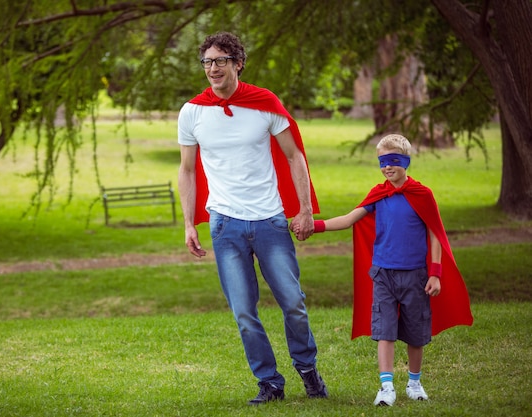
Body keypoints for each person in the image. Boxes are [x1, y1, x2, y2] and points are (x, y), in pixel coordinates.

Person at [177, 32, 328, 405]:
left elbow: (295, 156)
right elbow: (187, 171)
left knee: (292, 301)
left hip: (269, 220)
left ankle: (307, 370)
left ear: (238, 63)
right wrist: (188, 224)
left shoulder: (264, 103)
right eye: (207, 62)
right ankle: (270, 382)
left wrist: (305, 209)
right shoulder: (192, 112)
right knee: (244, 311)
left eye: (221, 61)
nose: (213, 68)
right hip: (224, 225)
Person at [293, 133, 473, 406]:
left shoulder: (422, 195)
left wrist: (435, 272)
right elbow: (349, 219)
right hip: (383, 275)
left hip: (416, 275)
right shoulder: (378, 194)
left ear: (406, 161)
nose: (388, 167)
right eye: (382, 162)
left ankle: (414, 382)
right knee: (384, 330)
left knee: (416, 332)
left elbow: (436, 233)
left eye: (393, 160)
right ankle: (386, 387)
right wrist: (314, 226)